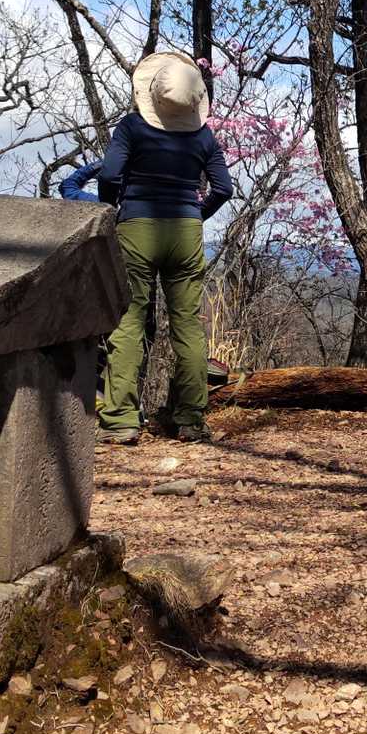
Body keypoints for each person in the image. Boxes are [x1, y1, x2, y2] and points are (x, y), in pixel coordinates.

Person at [97, 52, 232, 444]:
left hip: (136, 228)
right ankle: (190, 419)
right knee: (187, 322)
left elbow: (109, 175)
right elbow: (223, 188)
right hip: (186, 232)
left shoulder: (132, 128)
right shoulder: (203, 137)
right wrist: (196, 214)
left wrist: (115, 208)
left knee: (129, 320)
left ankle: (121, 420)